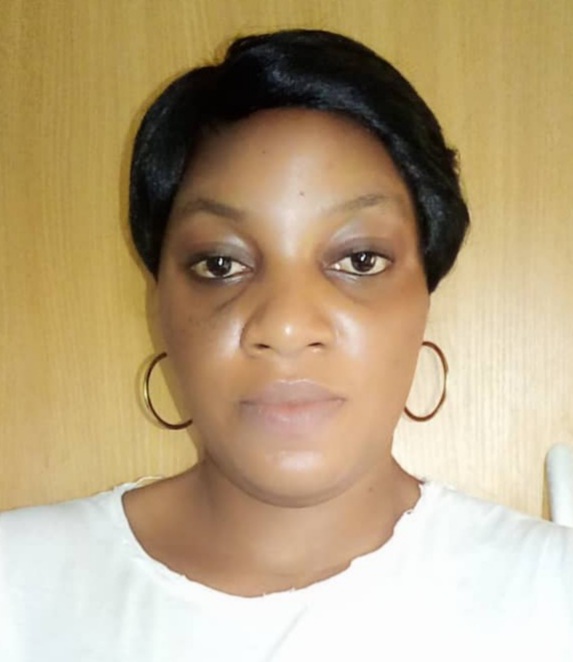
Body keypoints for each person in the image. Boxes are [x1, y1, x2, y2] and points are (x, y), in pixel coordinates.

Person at [0, 29, 571, 662]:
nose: (287, 324)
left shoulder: (552, 597)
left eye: (359, 259)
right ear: (159, 305)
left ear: (424, 298)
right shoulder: (17, 587)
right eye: (221, 264)